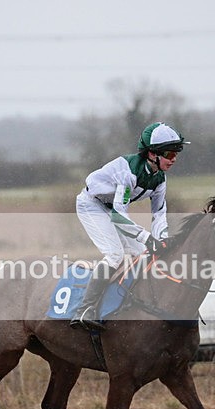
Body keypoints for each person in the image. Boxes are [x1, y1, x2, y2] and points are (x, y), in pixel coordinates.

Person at [69, 122, 189, 331]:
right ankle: (84, 309)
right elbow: (119, 216)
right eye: (169, 154)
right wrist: (147, 237)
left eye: (176, 153)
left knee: (143, 254)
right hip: (91, 205)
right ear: (152, 154)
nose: (174, 159)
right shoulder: (129, 173)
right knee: (115, 255)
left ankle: (129, 302)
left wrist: (161, 240)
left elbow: (159, 214)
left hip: (111, 208)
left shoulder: (160, 178)